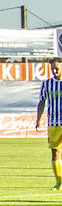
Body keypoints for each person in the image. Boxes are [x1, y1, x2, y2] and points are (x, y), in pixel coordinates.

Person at [35, 59, 62, 190]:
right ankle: (59, 183)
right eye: (53, 69)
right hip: (53, 123)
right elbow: (41, 102)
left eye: (57, 68)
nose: (55, 71)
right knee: (55, 153)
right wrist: (38, 120)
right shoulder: (47, 84)